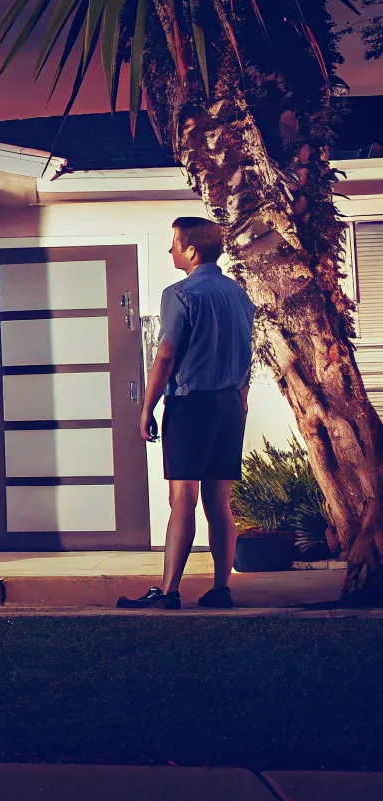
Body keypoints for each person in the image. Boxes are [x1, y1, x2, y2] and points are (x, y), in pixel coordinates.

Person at [119, 218, 255, 610]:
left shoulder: (179, 294)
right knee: (219, 501)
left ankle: (168, 592)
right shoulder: (239, 295)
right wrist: (241, 396)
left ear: (191, 250)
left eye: (175, 243)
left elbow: (165, 355)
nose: (170, 250)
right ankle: (221, 589)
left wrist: (147, 407)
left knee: (182, 497)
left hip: (191, 404)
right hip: (229, 405)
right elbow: (246, 352)